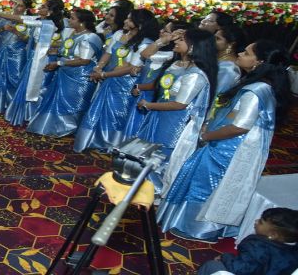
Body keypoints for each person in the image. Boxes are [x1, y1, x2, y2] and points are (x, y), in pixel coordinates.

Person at [158, 40, 290, 243]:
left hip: (227, 148)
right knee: (207, 183)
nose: (240, 53)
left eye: (247, 53)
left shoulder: (256, 91)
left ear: (260, 62)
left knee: (205, 186)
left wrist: (206, 136)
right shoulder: (259, 86)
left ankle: (199, 229)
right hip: (225, 143)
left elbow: (240, 127)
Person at [135, 28, 217, 191]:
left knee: (162, 153)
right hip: (160, 114)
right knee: (150, 148)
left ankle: (156, 190)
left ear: (193, 46)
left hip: (174, 120)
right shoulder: (175, 64)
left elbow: (180, 104)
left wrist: (149, 105)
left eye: (182, 40)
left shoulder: (195, 74)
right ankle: (142, 184)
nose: (176, 41)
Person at [74, 9, 159, 152]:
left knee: (117, 113)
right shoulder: (120, 34)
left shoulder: (145, 43)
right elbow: (108, 52)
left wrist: (104, 74)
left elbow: (131, 67)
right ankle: (93, 140)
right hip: (109, 77)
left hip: (126, 83)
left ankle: (111, 143)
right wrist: (99, 67)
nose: (125, 21)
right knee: (100, 109)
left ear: (139, 24)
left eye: (130, 19)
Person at [26, 9, 103, 137]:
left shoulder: (90, 37)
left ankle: (70, 128)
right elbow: (69, 52)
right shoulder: (74, 33)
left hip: (80, 77)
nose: (69, 20)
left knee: (74, 103)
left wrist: (58, 63)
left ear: (82, 22)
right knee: (57, 100)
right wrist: (56, 52)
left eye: (72, 18)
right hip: (66, 72)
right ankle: (54, 126)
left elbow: (84, 60)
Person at [123, 21, 191, 140]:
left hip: (156, 95)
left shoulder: (172, 55)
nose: (161, 32)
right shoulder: (169, 54)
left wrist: (166, 39)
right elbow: (145, 54)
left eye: (166, 31)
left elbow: (147, 56)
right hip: (147, 92)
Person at [196, 208, 298, 275]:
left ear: (273, 235)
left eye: (261, 222)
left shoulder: (256, 246)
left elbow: (239, 269)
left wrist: (225, 257)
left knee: (211, 265)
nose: (256, 221)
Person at [0, 0, 31, 113]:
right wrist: (1, 29)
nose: (16, 7)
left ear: (26, 8)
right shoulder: (1, 16)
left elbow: (29, 40)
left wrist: (16, 32)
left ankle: (13, 105)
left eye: (20, 5)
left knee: (15, 77)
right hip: (0, 50)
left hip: (18, 53)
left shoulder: (29, 20)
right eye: (15, 4)